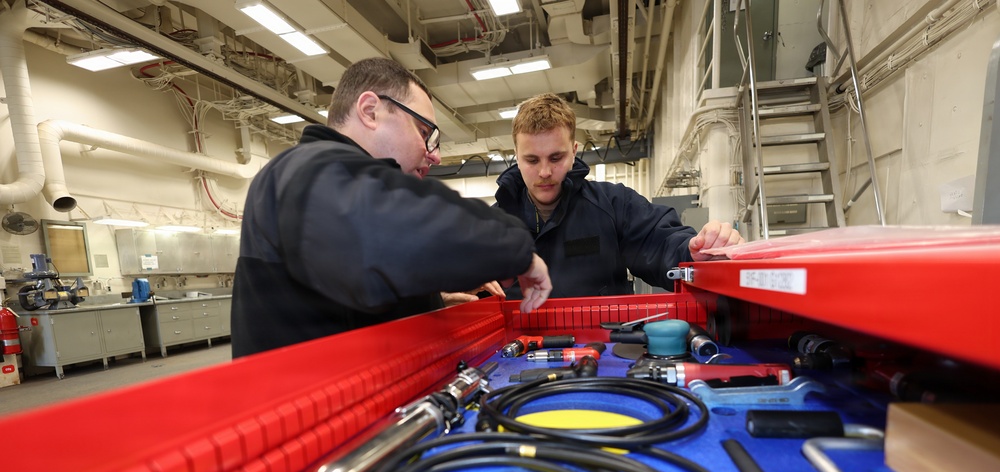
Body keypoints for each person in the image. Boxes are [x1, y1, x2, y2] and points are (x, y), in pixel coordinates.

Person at [232, 58, 552, 358]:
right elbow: (401, 228)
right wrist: (514, 248)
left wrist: (429, 300)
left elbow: (345, 291)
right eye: (423, 132)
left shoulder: (326, 183)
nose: (435, 155)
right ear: (370, 111)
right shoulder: (306, 170)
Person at [494, 93, 744, 298]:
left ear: (574, 151)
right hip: (516, 343)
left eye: (556, 157)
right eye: (532, 160)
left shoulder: (614, 205)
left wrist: (693, 253)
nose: (545, 172)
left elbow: (661, 244)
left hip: (603, 342)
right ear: (517, 156)